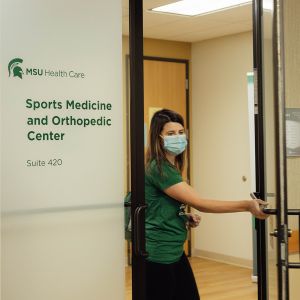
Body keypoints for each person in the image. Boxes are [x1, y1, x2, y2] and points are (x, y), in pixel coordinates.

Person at [145, 108, 268, 300]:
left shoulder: (170, 167)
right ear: (158, 138)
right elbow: (201, 203)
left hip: (173, 250)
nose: (177, 137)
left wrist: (183, 216)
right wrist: (247, 205)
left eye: (180, 132)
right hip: (160, 253)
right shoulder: (160, 169)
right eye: (170, 134)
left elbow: (158, 205)